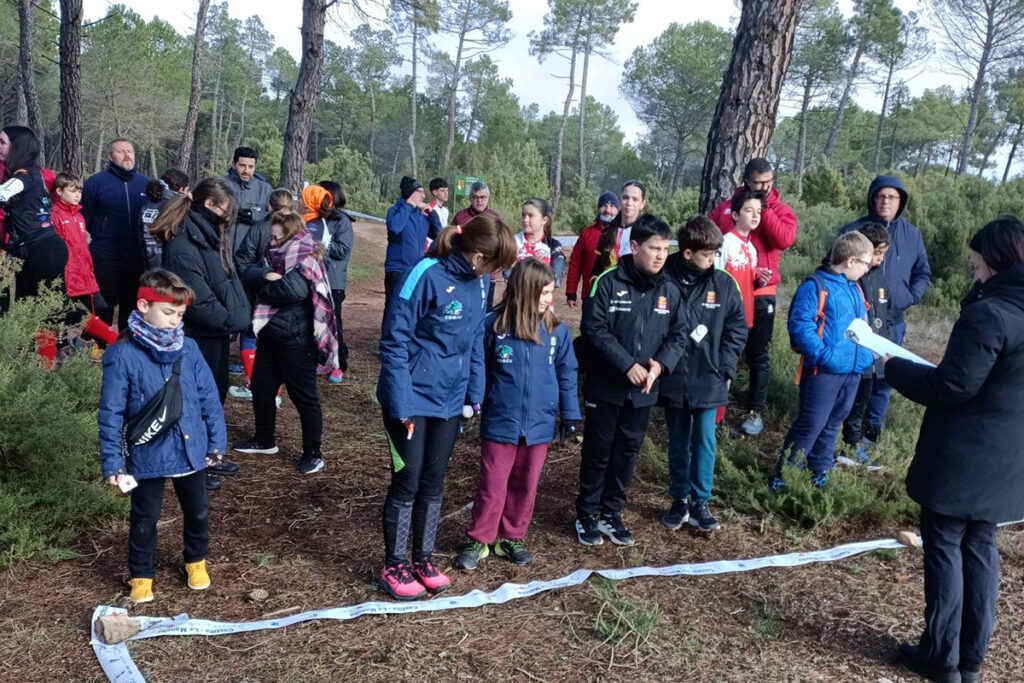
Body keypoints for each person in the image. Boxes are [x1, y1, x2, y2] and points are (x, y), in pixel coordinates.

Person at [885, 216, 1024, 683]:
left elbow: (952, 386)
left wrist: (894, 367)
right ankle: (970, 660)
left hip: (964, 455)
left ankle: (941, 657)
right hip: (1008, 456)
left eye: (977, 265)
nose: (974, 273)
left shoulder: (990, 314)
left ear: (995, 261)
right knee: (981, 548)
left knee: (944, 547)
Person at [376, 214, 516, 600]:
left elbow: (473, 343)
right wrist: (401, 403)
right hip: (410, 399)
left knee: (433, 481)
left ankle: (423, 559)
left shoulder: (480, 283)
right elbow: (393, 342)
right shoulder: (423, 275)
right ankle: (394, 565)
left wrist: (474, 393)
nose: (498, 273)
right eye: (496, 264)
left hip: (449, 403)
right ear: (478, 257)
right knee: (408, 479)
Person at [97, 268, 227, 604]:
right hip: (147, 452)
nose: (174, 321)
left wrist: (216, 441)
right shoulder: (122, 354)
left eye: (180, 315)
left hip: (191, 448)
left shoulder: (189, 348)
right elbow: (111, 412)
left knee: (198, 511)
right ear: (143, 305)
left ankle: (195, 561)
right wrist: (112, 462)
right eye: (168, 312)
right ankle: (141, 574)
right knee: (145, 518)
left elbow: (209, 397)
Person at [452, 259, 580, 571]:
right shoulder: (493, 326)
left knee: (526, 483)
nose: (549, 298)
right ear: (525, 291)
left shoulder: (557, 331)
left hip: (539, 424)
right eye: (544, 292)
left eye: (551, 292)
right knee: (492, 483)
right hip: (501, 421)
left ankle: (510, 536)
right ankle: (479, 538)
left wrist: (570, 415)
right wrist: (471, 403)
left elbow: (567, 374)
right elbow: (477, 367)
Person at [575, 214, 686, 547]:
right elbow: (593, 329)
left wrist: (659, 367)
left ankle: (611, 513)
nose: (660, 256)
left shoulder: (670, 289)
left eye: (664, 249)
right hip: (606, 387)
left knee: (627, 453)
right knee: (598, 452)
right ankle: (586, 514)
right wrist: (626, 365)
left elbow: (678, 336)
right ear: (634, 246)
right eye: (653, 248)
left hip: (644, 390)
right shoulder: (607, 281)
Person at [658, 216, 747, 533]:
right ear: (687, 253)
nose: (713, 260)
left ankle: (700, 502)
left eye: (715, 254)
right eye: (707, 255)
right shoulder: (663, 277)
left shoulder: (723, 283)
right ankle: (679, 499)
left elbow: (737, 328)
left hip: (710, 376)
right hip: (672, 375)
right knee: (678, 441)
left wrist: (725, 366)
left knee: (705, 439)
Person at [234, 210, 339, 475]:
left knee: (305, 398)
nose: (271, 238)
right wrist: (265, 276)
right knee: (261, 389)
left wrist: (260, 283)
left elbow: (292, 291)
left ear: (290, 232)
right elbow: (247, 272)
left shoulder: (305, 255)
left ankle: (313, 453)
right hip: (271, 336)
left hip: (297, 341)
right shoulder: (273, 254)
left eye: (276, 233)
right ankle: (264, 440)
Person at [771, 232, 875, 491]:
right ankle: (785, 476)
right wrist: (824, 356)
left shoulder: (855, 287)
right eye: (866, 263)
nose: (868, 269)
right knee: (811, 424)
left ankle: (819, 470)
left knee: (833, 423)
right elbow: (800, 326)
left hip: (851, 372)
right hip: (823, 372)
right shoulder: (815, 286)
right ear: (851, 260)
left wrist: (866, 354)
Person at [709, 159, 798, 437]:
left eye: (767, 182)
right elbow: (710, 236)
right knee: (724, 350)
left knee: (758, 353)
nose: (762, 187)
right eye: (757, 183)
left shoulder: (780, 210)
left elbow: (784, 239)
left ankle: (755, 411)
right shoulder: (728, 208)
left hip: (762, 293)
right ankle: (714, 412)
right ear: (745, 180)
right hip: (729, 293)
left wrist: (763, 209)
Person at [839, 175, 930, 444]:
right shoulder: (854, 231)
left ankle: (872, 428)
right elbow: (837, 266)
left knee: (885, 374)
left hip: (893, 320)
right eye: (880, 196)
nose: (885, 202)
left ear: (901, 201)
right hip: (858, 321)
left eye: (892, 197)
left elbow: (923, 272)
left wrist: (910, 296)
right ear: (872, 198)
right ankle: (845, 428)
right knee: (855, 374)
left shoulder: (912, 235)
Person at [155, 179, 251, 403]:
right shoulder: (183, 244)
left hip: (215, 334)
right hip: (198, 337)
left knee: (214, 395)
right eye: (225, 211)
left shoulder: (209, 236)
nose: (228, 219)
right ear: (209, 204)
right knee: (200, 399)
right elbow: (196, 300)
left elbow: (223, 280)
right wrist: (229, 320)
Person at [230, 189, 296, 400]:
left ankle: (254, 385)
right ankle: (274, 391)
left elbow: (242, 260)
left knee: (250, 335)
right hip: (285, 293)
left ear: (269, 206)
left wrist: (256, 276)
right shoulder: (298, 230)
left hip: (258, 292)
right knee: (274, 338)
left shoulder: (259, 228)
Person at [838, 223, 891, 470]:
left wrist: (885, 341)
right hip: (853, 354)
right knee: (848, 404)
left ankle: (852, 445)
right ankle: (844, 446)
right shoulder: (851, 277)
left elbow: (886, 314)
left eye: (883, 254)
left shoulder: (880, 277)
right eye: (877, 253)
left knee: (862, 403)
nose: (879, 259)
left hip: (873, 354)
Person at [81, 138, 150, 329]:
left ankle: (126, 341)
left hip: (137, 255)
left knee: (132, 303)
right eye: (121, 152)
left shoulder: (146, 184)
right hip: (106, 255)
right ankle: (99, 342)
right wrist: (103, 231)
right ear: (110, 157)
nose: (127, 155)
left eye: (130, 151)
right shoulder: (95, 183)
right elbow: (85, 216)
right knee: (103, 304)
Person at [0, 126, 69, 301]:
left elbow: (2, 194)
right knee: (28, 307)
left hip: (43, 249)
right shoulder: (28, 173)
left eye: (2, 142)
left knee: (58, 308)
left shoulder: (25, 175)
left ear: (17, 147)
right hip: (29, 250)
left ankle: (114, 324)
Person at [50, 172, 104, 324]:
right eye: (72, 191)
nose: (77, 195)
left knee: (101, 308)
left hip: (84, 273)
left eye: (79, 191)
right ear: (59, 191)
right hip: (66, 275)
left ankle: (89, 337)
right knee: (62, 316)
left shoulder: (79, 216)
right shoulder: (54, 215)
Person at [384, 175, 442, 309]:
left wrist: (432, 214)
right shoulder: (395, 211)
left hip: (415, 270)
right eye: (420, 192)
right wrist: (409, 205)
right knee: (393, 307)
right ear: (411, 193)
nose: (424, 196)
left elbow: (439, 236)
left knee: (411, 307)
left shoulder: (421, 216)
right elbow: (395, 227)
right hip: (397, 269)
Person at [318, 181, 353, 383]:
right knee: (318, 323)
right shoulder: (315, 218)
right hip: (315, 278)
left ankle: (339, 364)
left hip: (334, 281)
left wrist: (321, 244)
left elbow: (342, 250)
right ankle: (323, 360)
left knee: (334, 324)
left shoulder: (342, 221)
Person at [454, 180, 504, 307]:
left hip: (488, 272)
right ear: (470, 198)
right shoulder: (460, 217)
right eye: (475, 197)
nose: (479, 201)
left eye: (483, 197)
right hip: (464, 272)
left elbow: (502, 243)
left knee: (485, 309)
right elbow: (452, 241)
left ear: (488, 198)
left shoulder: (495, 218)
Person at [566, 191, 619, 309]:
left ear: (618, 209)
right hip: (591, 293)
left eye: (612, 206)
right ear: (599, 208)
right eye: (604, 205)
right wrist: (571, 291)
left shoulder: (624, 234)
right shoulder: (586, 234)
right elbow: (575, 263)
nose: (608, 210)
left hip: (618, 296)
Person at [592, 180, 647, 278]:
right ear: (620, 200)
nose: (629, 203)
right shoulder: (607, 232)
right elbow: (597, 270)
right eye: (625, 198)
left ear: (642, 204)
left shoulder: (647, 234)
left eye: (635, 199)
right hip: (608, 285)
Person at [222, 146, 273, 247]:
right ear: (233, 164)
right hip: (221, 247)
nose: (246, 170)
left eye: (251, 167)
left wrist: (253, 216)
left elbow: (274, 218)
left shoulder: (265, 190)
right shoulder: (220, 185)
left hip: (250, 251)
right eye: (242, 165)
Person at [510, 198, 565, 288]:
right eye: (523, 215)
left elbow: (556, 279)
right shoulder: (513, 241)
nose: (525, 220)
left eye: (530, 215)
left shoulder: (553, 245)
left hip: (544, 296)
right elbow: (507, 273)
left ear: (544, 220)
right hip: (517, 295)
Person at [140, 169, 190, 269]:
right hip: (171, 267)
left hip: (147, 266)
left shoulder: (146, 206)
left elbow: (140, 237)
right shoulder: (179, 209)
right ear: (182, 189)